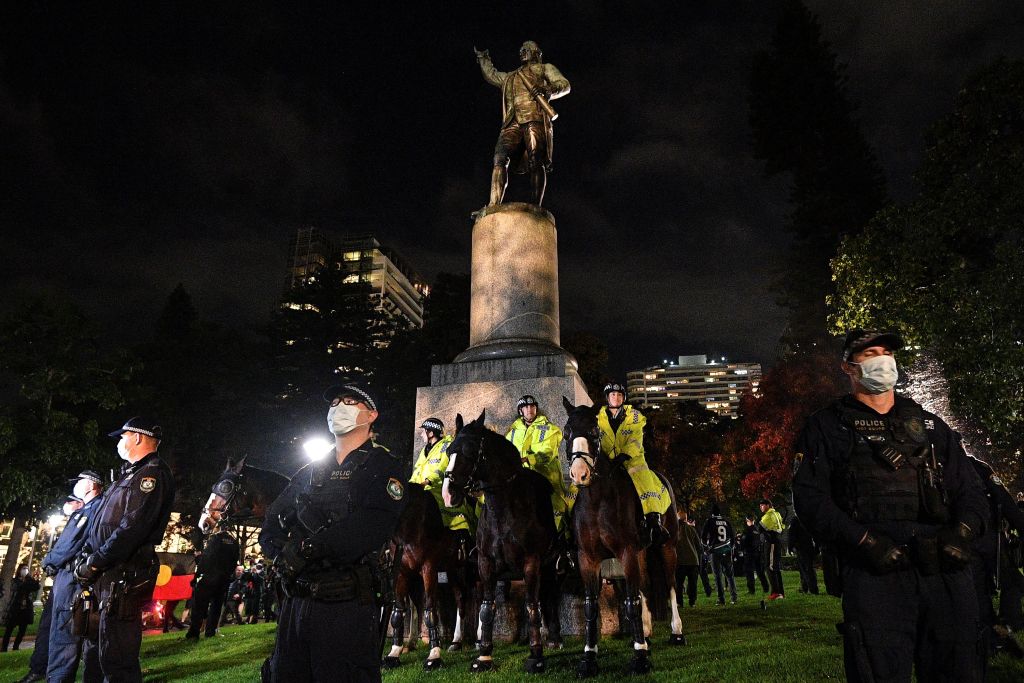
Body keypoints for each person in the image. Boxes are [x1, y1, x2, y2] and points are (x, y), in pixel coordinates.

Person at [793, 329, 989, 682]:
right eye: (870, 354)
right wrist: (863, 541)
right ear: (848, 367)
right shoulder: (825, 427)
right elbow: (810, 501)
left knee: (960, 668)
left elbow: (971, 491)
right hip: (874, 574)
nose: (882, 359)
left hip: (943, 571)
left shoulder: (931, 427)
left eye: (886, 351)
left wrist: (963, 532)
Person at [259, 382, 406, 682]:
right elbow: (272, 522)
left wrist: (308, 549)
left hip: (345, 605)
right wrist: (282, 556)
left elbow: (371, 526)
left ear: (371, 415)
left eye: (350, 402)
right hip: (296, 604)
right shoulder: (311, 470)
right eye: (335, 402)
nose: (338, 408)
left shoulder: (383, 466)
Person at [74, 417, 175, 683]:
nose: (119, 441)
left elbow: (132, 527)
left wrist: (97, 561)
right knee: (94, 649)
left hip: (123, 575)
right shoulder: (128, 474)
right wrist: (87, 556)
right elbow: (100, 523)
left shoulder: (152, 474)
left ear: (138, 437)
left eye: (123, 436)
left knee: (117, 654)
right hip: (104, 575)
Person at [474, 40, 570, 206]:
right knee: (499, 158)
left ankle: (535, 207)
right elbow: (492, 75)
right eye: (521, 49)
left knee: (536, 160)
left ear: (536, 52)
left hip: (534, 117)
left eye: (526, 49)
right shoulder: (512, 76)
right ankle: (493, 205)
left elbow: (564, 85)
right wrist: (483, 58)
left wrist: (547, 89)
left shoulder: (544, 68)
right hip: (512, 122)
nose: (522, 51)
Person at [41, 474, 103, 683]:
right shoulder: (100, 508)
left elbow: (68, 544)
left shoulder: (88, 511)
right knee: (87, 636)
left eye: (79, 481)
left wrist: (48, 562)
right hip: (84, 578)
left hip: (71, 580)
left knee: (63, 635)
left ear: (91, 484)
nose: (75, 486)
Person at [965, 454, 1024, 671]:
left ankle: (992, 634)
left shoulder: (944, 466)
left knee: (980, 590)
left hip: (966, 539)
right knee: (1010, 580)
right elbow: (1004, 499)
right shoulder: (978, 466)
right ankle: (1003, 628)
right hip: (988, 537)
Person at [597, 383, 671, 545]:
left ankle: (654, 521)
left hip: (632, 459)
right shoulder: (597, 417)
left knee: (645, 483)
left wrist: (624, 455)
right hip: (607, 461)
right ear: (607, 398)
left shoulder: (635, 416)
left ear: (623, 398)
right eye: (613, 395)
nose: (616, 398)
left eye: (619, 395)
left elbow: (635, 438)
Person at [410, 417, 475, 556]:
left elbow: (443, 469)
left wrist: (427, 482)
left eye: (423, 431)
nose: (421, 434)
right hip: (423, 491)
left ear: (431, 433)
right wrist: (411, 486)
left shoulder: (446, 446)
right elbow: (417, 470)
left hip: (439, 491)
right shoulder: (425, 450)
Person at [505, 396, 570, 534]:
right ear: (520, 410)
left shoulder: (550, 429)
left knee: (559, 518)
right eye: (526, 407)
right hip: (519, 483)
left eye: (532, 406)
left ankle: (566, 546)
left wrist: (527, 459)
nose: (530, 409)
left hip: (546, 481)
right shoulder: (511, 432)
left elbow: (547, 453)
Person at [186, 531, 240, 639]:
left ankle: (194, 632)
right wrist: (228, 575)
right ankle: (210, 632)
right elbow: (234, 561)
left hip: (209, 577)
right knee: (216, 606)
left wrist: (197, 576)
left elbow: (206, 558)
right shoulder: (234, 542)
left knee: (199, 605)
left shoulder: (215, 539)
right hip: (223, 579)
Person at [702, 504, 738, 605]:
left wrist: (706, 548)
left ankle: (721, 599)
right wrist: (730, 547)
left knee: (718, 576)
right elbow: (733, 537)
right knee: (730, 575)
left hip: (715, 551)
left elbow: (703, 537)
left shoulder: (709, 521)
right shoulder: (726, 521)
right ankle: (734, 598)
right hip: (726, 550)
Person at [2, 564, 40, 652]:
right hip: (15, 609)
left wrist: (33, 578)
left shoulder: (28, 580)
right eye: (23, 569)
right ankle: (4, 648)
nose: (25, 570)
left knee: (22, 630)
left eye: (27, 569)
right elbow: (21, 588)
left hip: (25, 610)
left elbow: (35, 587)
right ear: (19, 570)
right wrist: (27, 581)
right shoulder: (15, 581)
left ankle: (16, 647)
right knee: (9, 629)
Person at [757, 498, 786, 600]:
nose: (760, 507)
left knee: (770, 567)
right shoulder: (777, 514)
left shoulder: (768, 515)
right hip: (777, 540)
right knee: (775, 567)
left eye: (762, 505)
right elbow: (782, 527)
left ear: (768, 505)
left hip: (771, 542)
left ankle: (775, 592)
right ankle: (780, 592)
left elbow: (759, 527)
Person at [674, 510, 701, 607]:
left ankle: (679, 602)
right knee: (692, 583)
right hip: (693, 560)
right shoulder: (692, 529)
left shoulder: (675, 530)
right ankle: (692, 602)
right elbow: (699, 546)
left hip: (680, 561)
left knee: (679, 583)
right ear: (686, 519)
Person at [788, 514, 820, 594]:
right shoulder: (810, 518)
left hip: (801, 547)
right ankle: (806, 587)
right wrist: (817, 547)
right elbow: (816, 533)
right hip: (810, 546)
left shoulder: (796, 519)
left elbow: (791, 534)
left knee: (805, 569)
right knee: (808, 568)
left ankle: (812, 589)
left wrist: (790, 547)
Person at [741, 515, 770, 595]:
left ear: (748, 521)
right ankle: (766, 587)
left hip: (749, 553)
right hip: (758, 553)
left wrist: (741, 548)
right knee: (760, 572)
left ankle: (751, 590)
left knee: (749, 572)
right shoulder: (758, 529)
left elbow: (743, 542)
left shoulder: (747, 530)